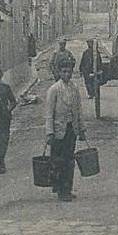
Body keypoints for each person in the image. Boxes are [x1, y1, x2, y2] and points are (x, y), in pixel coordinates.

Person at [44, 57, 87, 201]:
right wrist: (49, 133)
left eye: (69, 71)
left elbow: (78, 110)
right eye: (64, 71)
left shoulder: (74, 89)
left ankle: (67, 189)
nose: (67, 74)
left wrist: (81, 129)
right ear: (59, 72)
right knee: (58, 161)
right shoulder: (54, 90)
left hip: (71, 130)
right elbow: (49, 114)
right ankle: (60, 190)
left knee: (69, 160)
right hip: (58, 131)